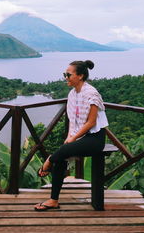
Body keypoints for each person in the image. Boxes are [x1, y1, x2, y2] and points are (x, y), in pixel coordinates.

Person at [34, 60, 108, 211]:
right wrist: (69, 138)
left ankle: (48, 161)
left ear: (80, 76)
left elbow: (91, 122)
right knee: (61, 156)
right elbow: (73, 121)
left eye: (68, 75)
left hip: (95, 138)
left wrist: (73, 139)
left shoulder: (92, 94)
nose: (66, 78)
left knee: (58, 155)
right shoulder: (72, 94)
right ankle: (53, 200)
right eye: (65, 75)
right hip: (79, 136)